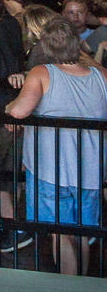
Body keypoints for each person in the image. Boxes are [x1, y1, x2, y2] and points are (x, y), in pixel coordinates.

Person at [6, 19, 107, 275]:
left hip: (51, 168)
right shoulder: (102, 76)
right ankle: (81, 287)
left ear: (46, 47)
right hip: (91, 168)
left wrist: (7, 107)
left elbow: (19, 111)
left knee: (58, 231)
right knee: (82, 232)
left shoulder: (43, 73)